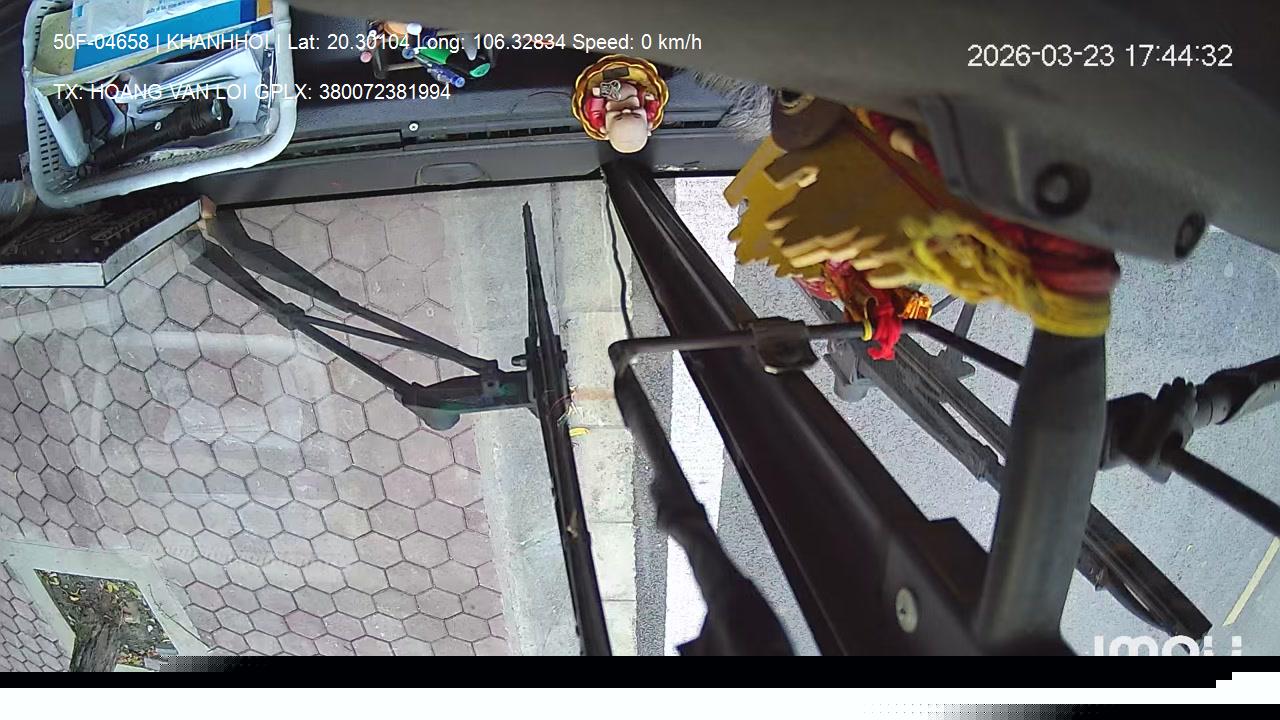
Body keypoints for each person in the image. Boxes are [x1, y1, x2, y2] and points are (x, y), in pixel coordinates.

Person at [571, 55, 668, 154]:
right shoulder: (649, 116)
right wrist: (651, 100)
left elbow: (594, 110)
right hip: (633, 84)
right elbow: (652, 110)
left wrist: (597, 97)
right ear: (648, 126)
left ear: (605, 129)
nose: (626, 110)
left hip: (606, 90)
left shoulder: (599, 122)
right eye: (636, 114)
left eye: (618, 116)